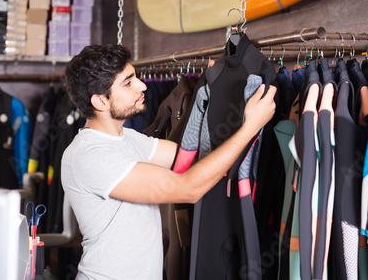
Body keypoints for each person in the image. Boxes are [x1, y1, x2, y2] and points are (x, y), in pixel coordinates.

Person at [61, 44, 276, 279]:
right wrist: (250, 127)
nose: (142, 85)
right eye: (128, 82)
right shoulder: (90, 155)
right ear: (100, 102)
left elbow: (191, 157)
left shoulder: (128, 139)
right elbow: (188, 188)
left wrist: (215, 91)